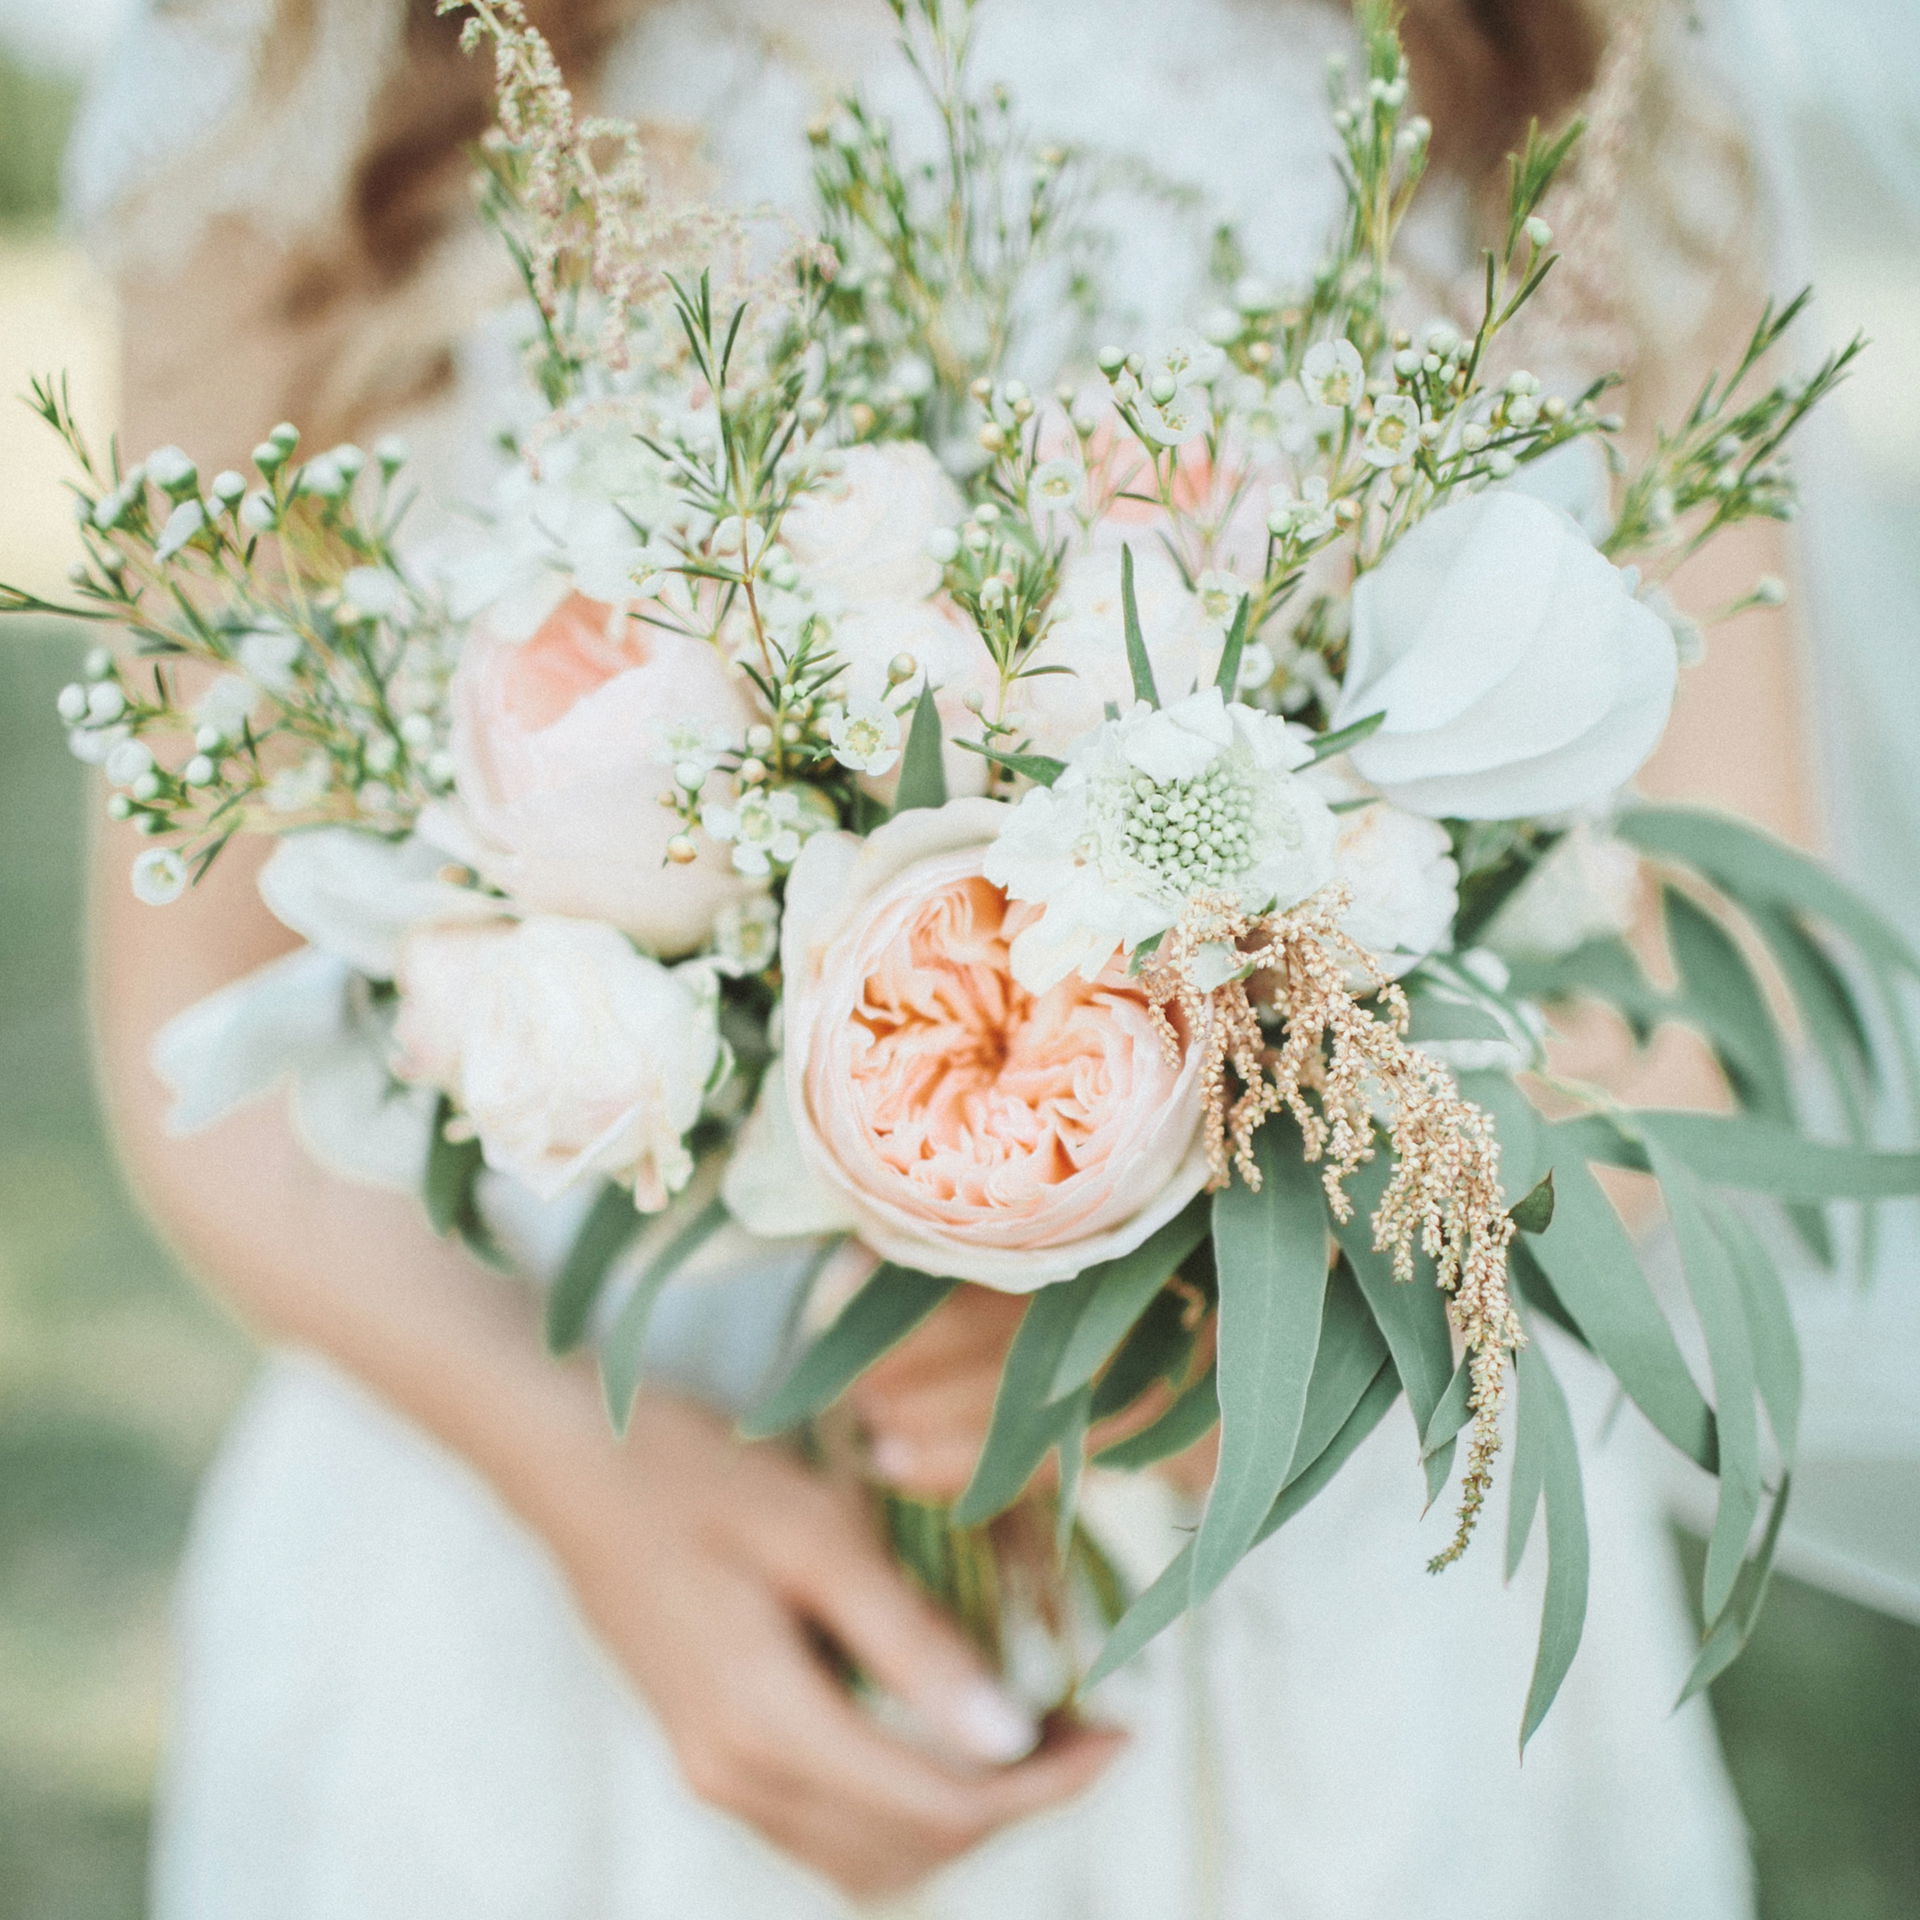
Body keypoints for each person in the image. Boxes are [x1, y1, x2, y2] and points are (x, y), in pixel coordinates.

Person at [72, 1, 1819, 1913]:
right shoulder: (308, 106)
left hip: (1304, 1577)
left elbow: (1707, 974)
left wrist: (1289, 1304)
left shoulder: (1571, 90)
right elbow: (198, 1047)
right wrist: (602, 1496)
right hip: (558, 1538)